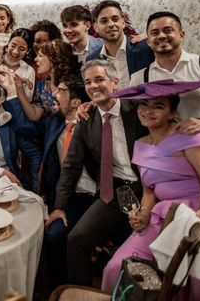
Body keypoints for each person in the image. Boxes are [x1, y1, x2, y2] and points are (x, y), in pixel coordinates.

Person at [101, 79, 200, 301]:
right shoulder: (140, 145)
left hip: (193, 219)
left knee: (189, 286)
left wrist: (196, 222)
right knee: (115, 267)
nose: (148, 110)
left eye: (158, 106)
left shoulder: (190, 139)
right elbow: (149, 191)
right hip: (160, 219)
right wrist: (144, 213)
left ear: (173, 112)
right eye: (143, 104)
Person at [50, 60, 148, 286]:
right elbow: (71, 166)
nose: (93, 86)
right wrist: (59, 206)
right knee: (76, 240)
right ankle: (78, 299)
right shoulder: (86, 119)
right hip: (112, 192)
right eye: (88, 82)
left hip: (146, 189)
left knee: (137, 252)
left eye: (99, 80)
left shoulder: (137, 109)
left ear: (115, 83)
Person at [5, 75, 96, 287]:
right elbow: (25, 128)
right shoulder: (55, 122)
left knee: (75, 240)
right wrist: (12, 93)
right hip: (64, 197)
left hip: (93, 195)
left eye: (61, 91)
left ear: (76, 102)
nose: (55, 94)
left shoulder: (94, 123)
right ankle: (56, 290)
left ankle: (77, 291)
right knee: (52, 236)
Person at [129, 11, 200, 124]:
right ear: (148, 41)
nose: (162, 36)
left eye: (168, 30)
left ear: (181, 35)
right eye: (155, 33)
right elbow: (128, 114)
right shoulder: (138, 79)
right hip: (161, 141)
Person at [87, 0, 154, 86]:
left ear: (123, 23)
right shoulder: (92, 60)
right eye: (104, 21)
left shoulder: (145, 48)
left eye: (115, 19)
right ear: (96, 27)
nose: (111, 24)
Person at [14, 39, 82, 122]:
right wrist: (19, 88)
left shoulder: (74, 82)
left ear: (54, 58)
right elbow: (35, 115)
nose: (35, 59)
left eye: (40, 55)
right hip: (55, 130)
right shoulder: (43, 85)